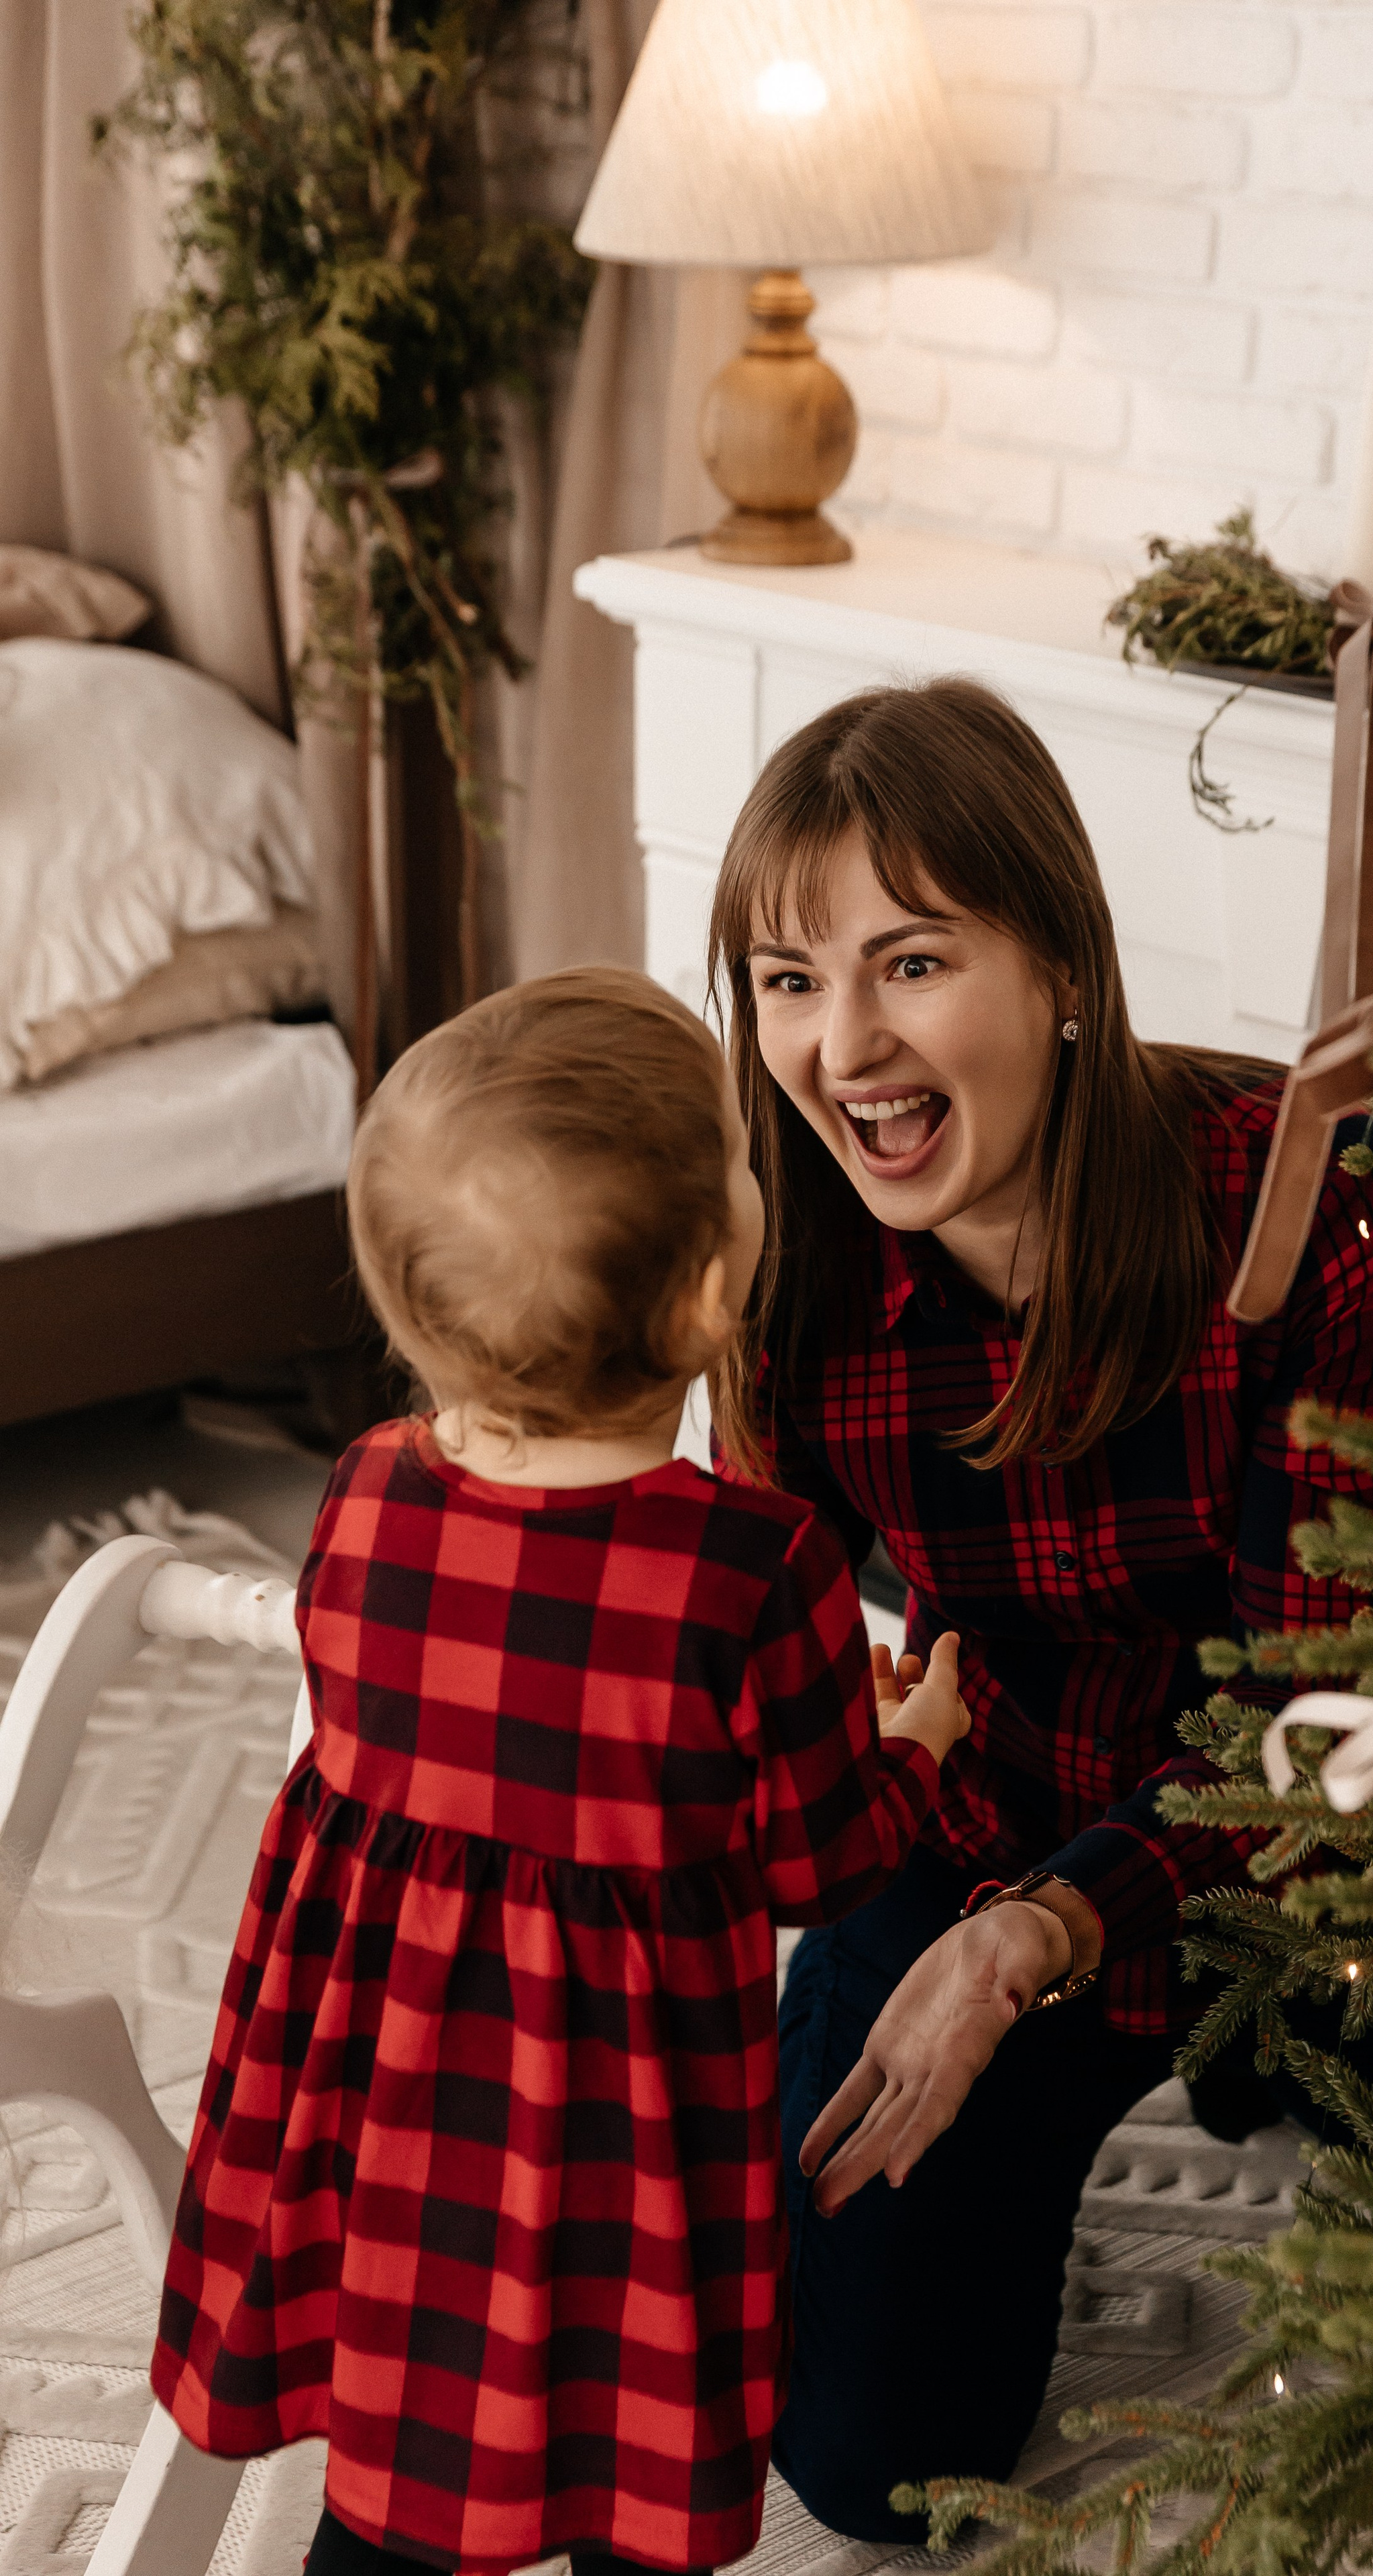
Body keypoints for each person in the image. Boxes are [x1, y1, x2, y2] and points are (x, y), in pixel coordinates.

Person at [705, 678, 1373, 2541]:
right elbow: (767, 1687)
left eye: (913, 961)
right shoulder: (785, 1286)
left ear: (1061, 969)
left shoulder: (1297, 1203)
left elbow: (1312, 1714)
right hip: (979, 1827)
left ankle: (1280, 2058)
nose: (844, 1043)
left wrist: (1038, 1936)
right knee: (863, 2459)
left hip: (1313, 1858)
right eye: (789, 981)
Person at [150, 969, 971, 2576]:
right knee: (625, 2431)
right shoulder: (754, 1568)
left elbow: (408, 1735)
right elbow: (818, 1866)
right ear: (714, 1293)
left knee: (402, 2436)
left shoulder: (365, 1494)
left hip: (396, 2102)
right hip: (622, 2123)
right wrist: (912, 1749)